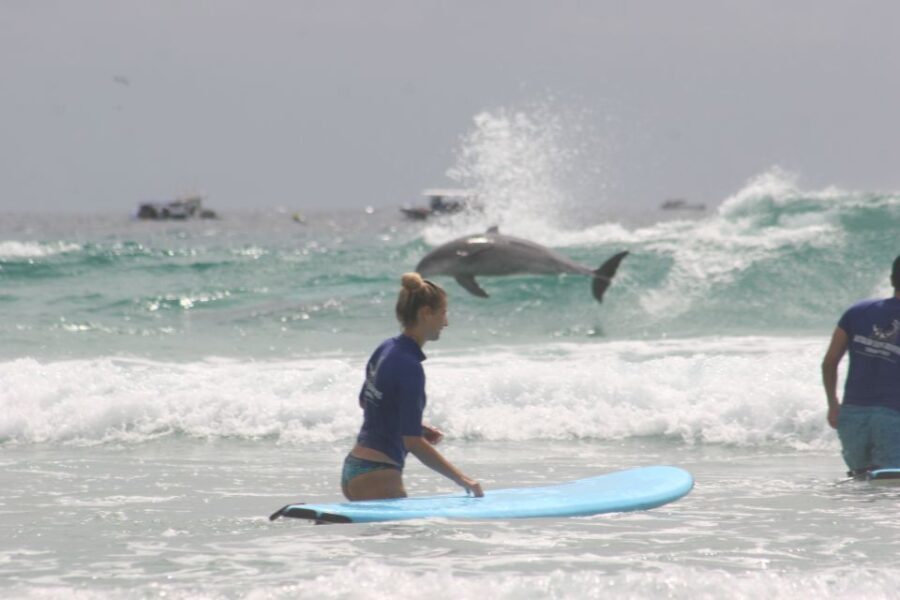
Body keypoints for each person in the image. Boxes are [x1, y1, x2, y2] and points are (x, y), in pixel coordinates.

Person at [341, 272, 484, 501]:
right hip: (378, 475)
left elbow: (366, 401)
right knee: (404, 536)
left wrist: (415, 425)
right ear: (426, 313)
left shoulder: (386, 348)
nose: (446, 322)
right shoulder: (409, 366)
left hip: (356, 467)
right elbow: (413, 443)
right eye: (443, 313)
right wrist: (463, 480)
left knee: (384, 537)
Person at [822, 255, 900, 476]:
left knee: (861, 481)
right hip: (894, 417)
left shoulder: (858, 311)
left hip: (852, 415)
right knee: (890, 485)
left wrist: (833, 404)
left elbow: (829, 362)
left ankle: (854, 513)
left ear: (892, 279)